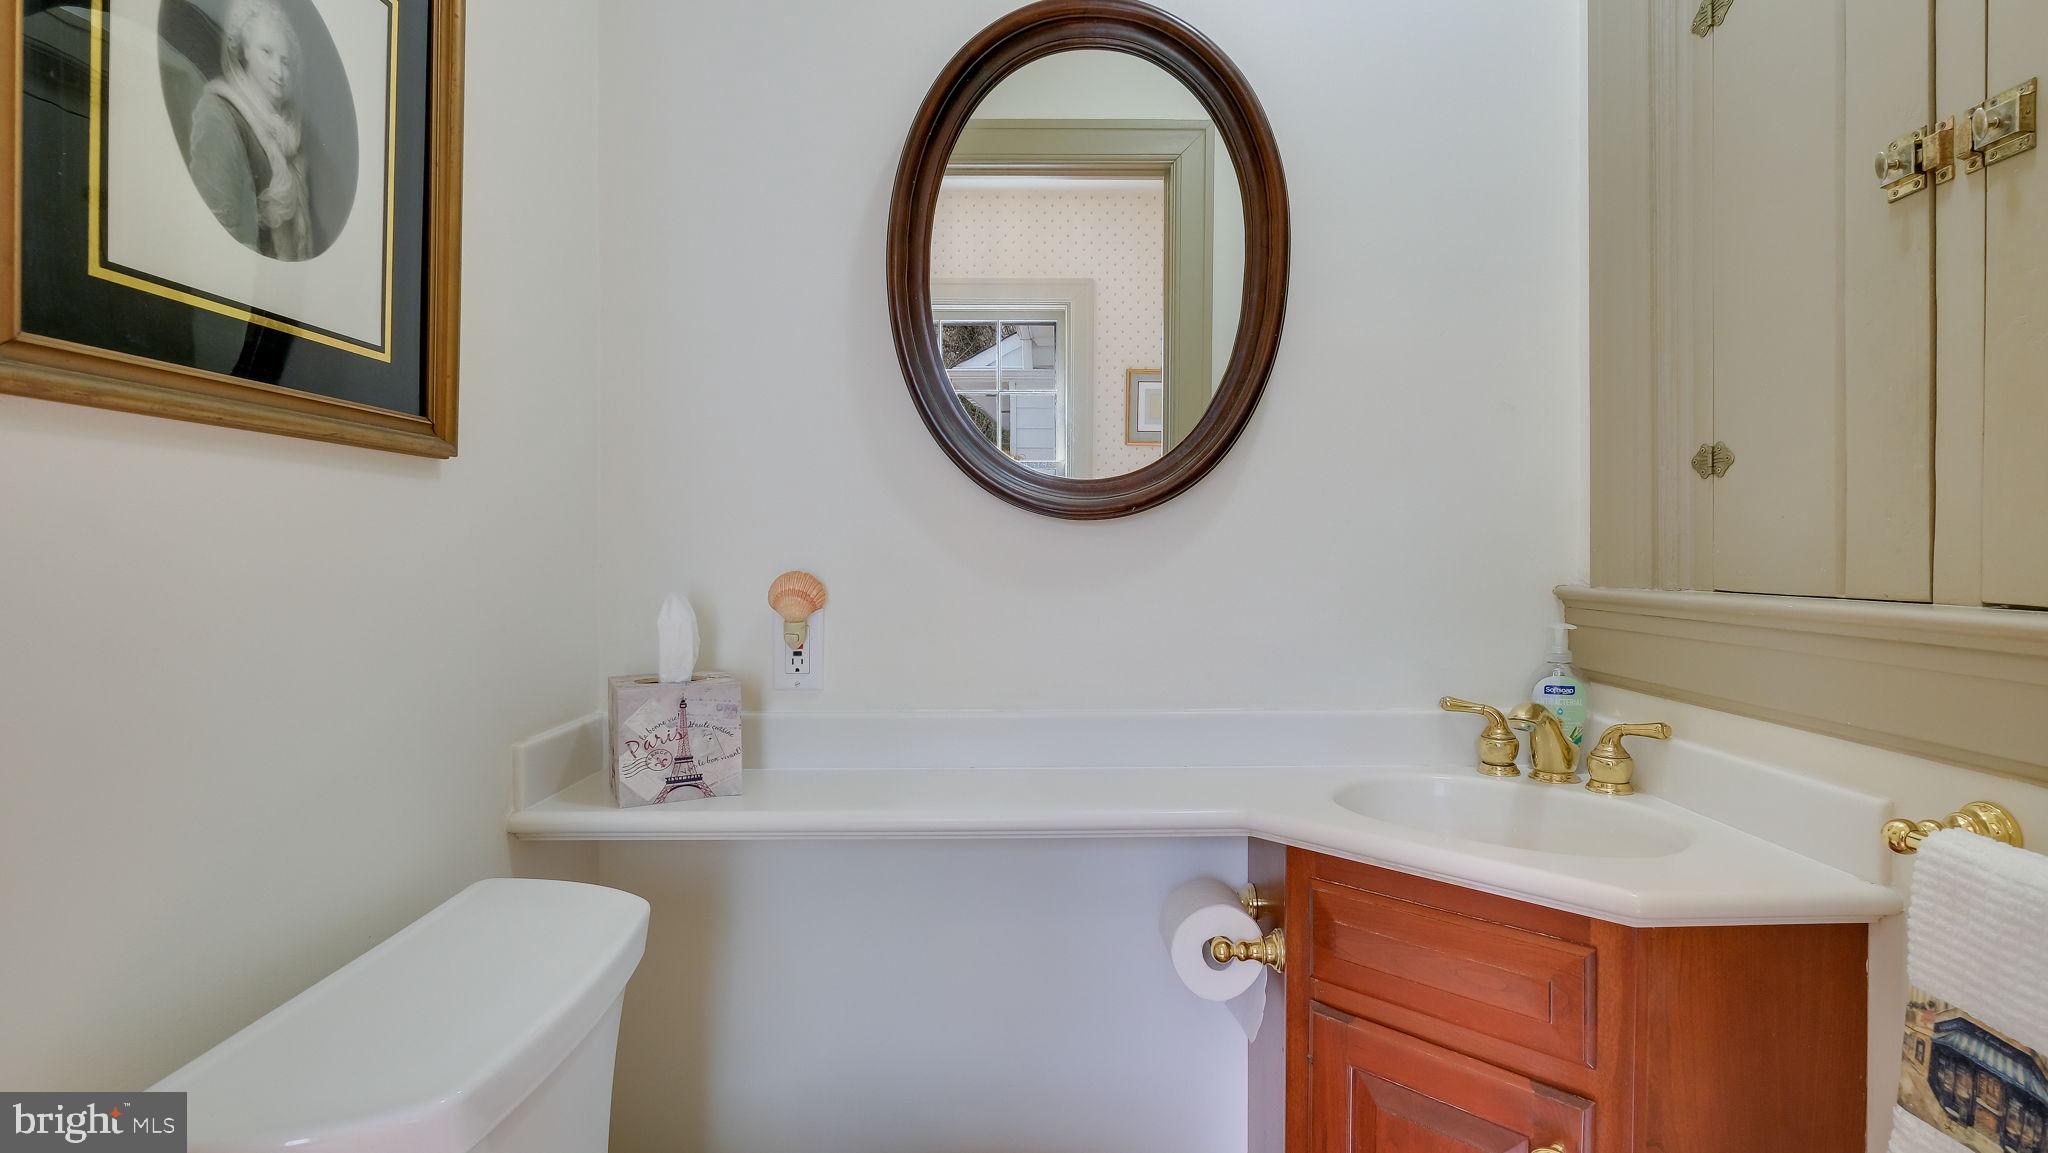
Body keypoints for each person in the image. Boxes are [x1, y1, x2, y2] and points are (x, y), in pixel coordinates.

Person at [185, 0, 313, 260]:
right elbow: (217, 226)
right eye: (267, 52)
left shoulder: (287, 132)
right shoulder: (219, 113)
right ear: (243, 49)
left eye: (285, 61)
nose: (279, 71)